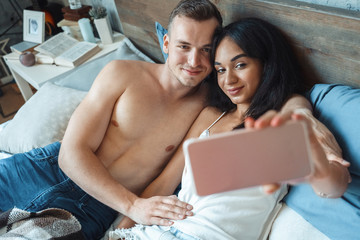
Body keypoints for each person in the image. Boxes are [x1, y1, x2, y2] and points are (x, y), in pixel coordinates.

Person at [0, 1, 345, 239]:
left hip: (101, 206)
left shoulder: (214, 100)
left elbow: (278, 99)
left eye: (208, 51)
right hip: (49, 168)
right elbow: (70, 154)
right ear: (165, 42)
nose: (195, 61)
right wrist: (132, 210)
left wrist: (301, 112)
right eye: (183, 46)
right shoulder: (125, 73)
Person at [109, 17, 350, 240]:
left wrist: (319, 161)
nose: (228, 80)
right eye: (221, 69)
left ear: (266, 64)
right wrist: (118, 232)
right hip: (159, 231)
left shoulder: (284, 118)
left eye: (240, 65)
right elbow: (164, 184)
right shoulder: (210, 116)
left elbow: (332, 187)